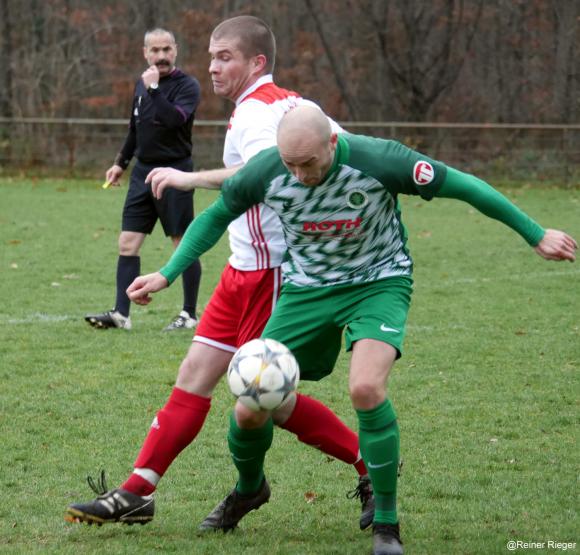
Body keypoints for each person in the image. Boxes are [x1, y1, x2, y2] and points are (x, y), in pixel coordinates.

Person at [123, 106, 577, 555]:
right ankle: (249, 489)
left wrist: (534, 233)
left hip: (379, 284)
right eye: (290, 164)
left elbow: (463, 185)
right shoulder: (265, 172)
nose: (300, 175)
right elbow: (215, 217)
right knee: (249, 405)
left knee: (365, 388)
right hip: (306, 293)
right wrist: (166, 274)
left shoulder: (380, 160)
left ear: (332, 143)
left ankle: (386, 523)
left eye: (309, 163)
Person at [66, 16, 374, 530]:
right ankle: (138, 491)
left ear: (257, 62)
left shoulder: (257, 113)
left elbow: (261, 173)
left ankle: (371, 467)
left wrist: (189, 177)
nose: (212, 66)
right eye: (210, 56)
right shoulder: (294, 103)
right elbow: (342, 146)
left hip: (272, 274)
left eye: (224, 56)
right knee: (194, 376)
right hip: (241, 269)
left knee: (268, 399)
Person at [84, 28, 202, 331]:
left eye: (166, 49)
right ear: (145, 52)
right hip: (141, 174)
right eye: (155, 50)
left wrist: (153, 90)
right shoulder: (142, 83)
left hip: (175, 172)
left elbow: (174, 119)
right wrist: (120, 163)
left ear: (175, 50)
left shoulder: (187, 86)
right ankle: (121, 314)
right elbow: (135, 129)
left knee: (182, 244)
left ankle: (189, 314)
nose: (161, 56)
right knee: (127, 243)